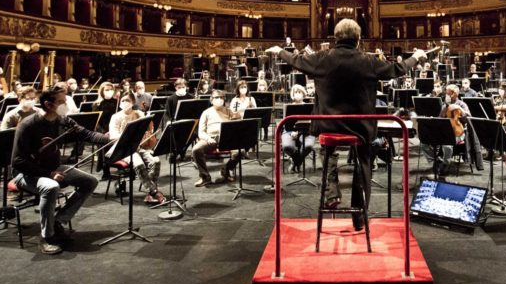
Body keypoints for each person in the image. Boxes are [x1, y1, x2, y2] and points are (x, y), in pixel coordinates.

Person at [267, 19, 427, 229]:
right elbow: (397, 69)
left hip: (328, 125)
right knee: (364, 163)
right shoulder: (368, 61)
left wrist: (279, 50)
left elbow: (296, 60)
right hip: (360, 128)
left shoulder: (321, 59)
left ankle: (332, 191)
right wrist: (415, 57)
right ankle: (359, 217)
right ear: (358, 39)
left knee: (327, 149)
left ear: (335, 38)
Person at [11, 85, 110, 254]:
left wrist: (114, 139)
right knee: (51, 187)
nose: (66, 104)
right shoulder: (28, 125)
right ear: (48, 104)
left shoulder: (63, 120)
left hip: (53, 168)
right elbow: (17, 161)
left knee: (90, 181)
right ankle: (46, 237)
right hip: (27, 174)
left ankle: (58, 221)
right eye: (62, 102)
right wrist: (48, 174)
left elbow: (88, 135)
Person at [108, 92, 165, 205]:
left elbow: (148, 128)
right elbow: (113, 136)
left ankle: (149, 194)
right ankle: (153, 191)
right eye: (123, 100)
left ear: (133, 102)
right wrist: (127, 135)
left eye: (128, 100)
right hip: (123, 148)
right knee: (138, 163)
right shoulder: (116, 117)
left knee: (155, 161)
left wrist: (145, 116)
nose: (125, 102)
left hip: (139, 146)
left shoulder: (138, 113)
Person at [190, 90, 241, 186]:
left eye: (222, 97)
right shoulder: (206, 112)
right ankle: (205, 177)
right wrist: (208, 138)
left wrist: (238, 117)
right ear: (211, 100)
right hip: (211, 138)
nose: (220, 99)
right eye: (217, 97)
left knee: (240, 151)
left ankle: (226, 170)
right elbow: (201, 132)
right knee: (196, 150)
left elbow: (236, 127)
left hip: (226, 138)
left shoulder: (229, 111)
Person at [427, 83, 472, 177]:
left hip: (458, 133)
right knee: (424, 143)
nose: (446, 95)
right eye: (446, 93)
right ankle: (436, 160)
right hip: (444, 132)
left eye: (448, 93)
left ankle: (446, 163)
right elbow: (440, 119)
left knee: (447, 144)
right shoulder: (445, 105)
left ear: (455, 94)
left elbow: (468, 118)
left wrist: (459, 108)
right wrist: (446, 106)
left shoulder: (462, 104)